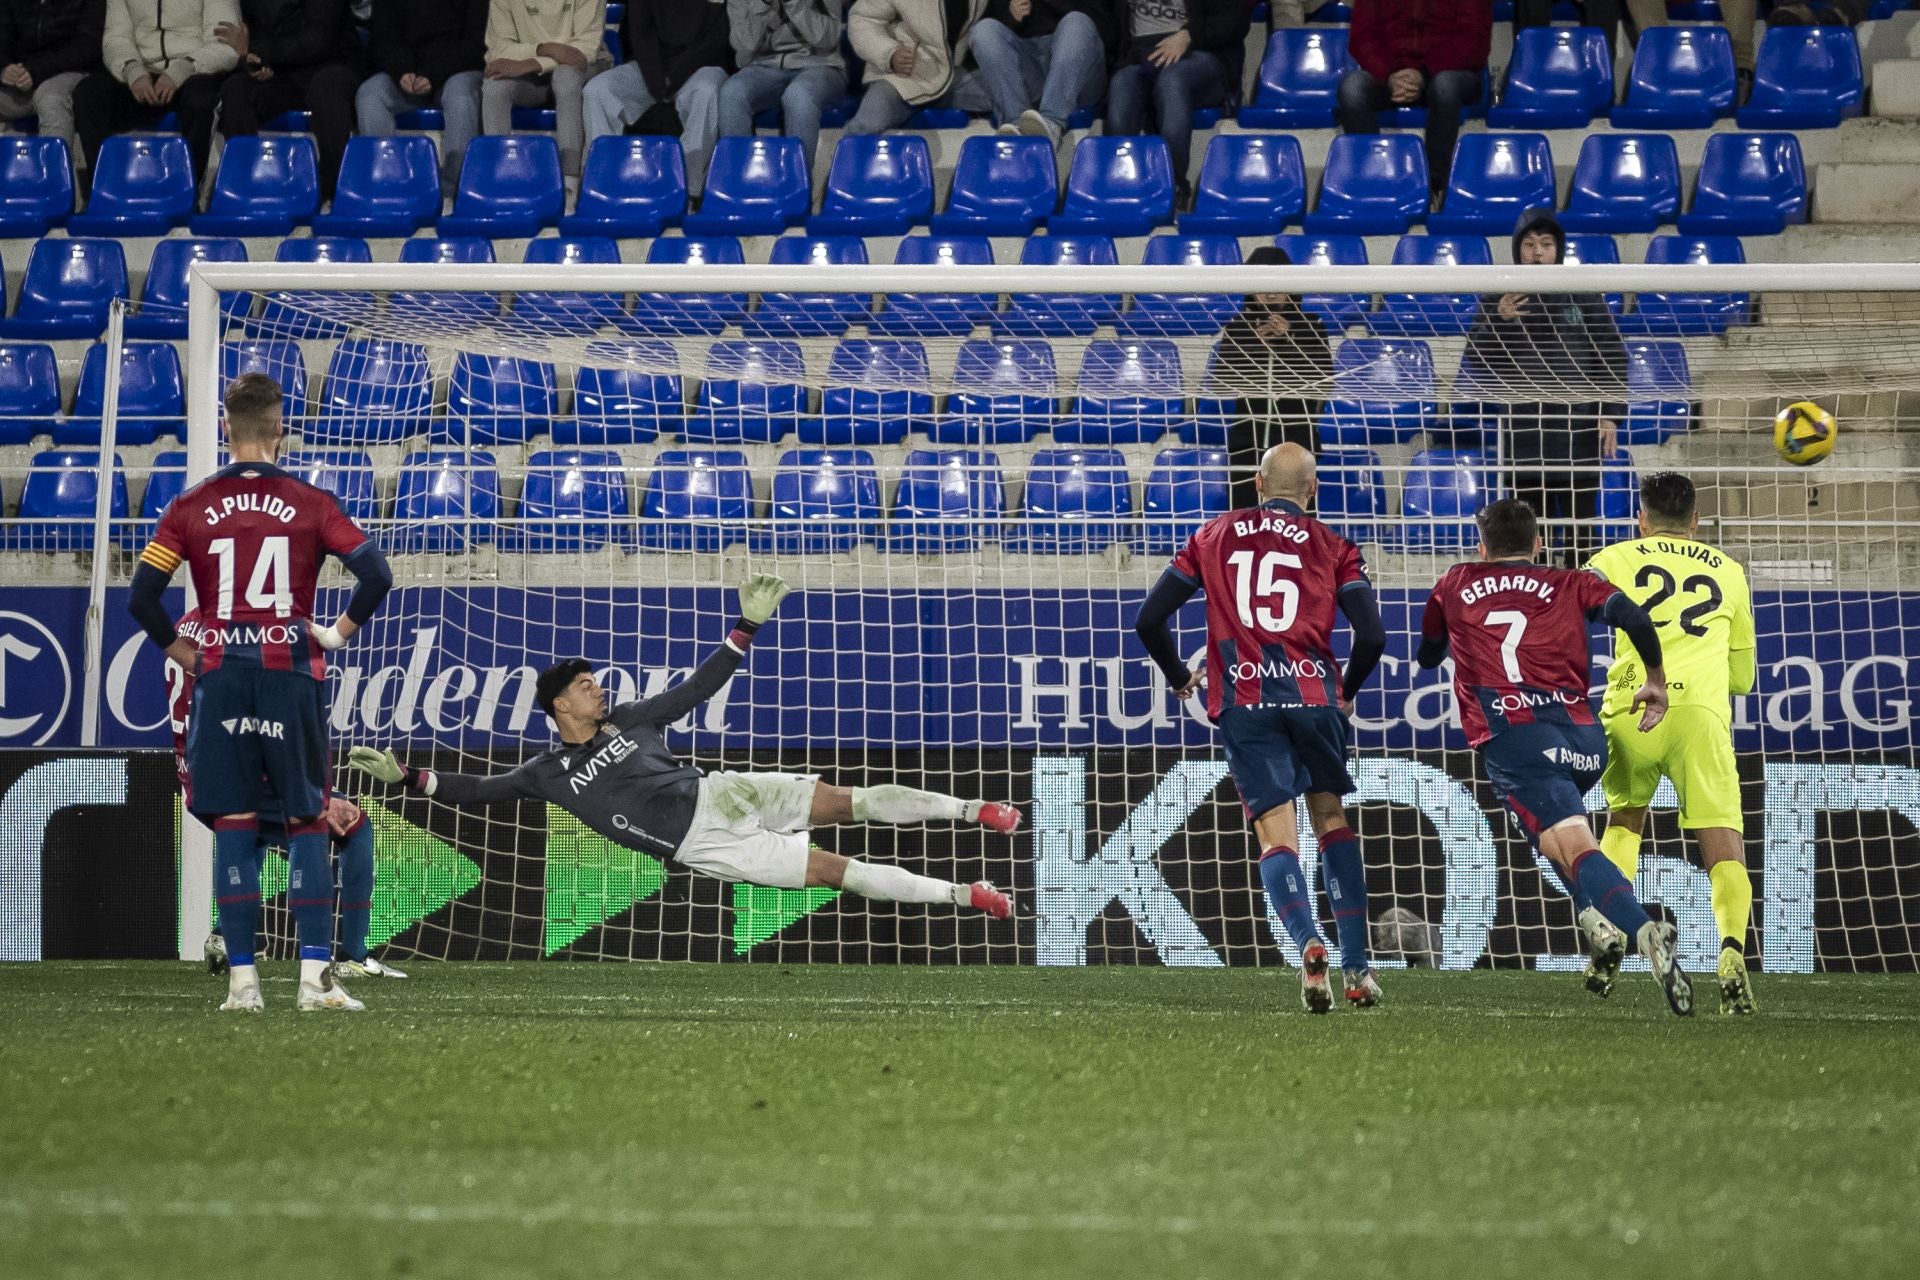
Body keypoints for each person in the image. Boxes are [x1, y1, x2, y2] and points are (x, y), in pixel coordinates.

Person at [346, 574, 1020, 926]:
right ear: (560, 706)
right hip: (708, 845)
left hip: (722, 790)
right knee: (840, 871)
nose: (598, 690)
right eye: (585, 687)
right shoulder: (546, 772)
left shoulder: (633, 719)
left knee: (855, 801)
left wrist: (746, 626)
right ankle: (969, 896)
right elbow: (478, 790)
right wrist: (407, 776)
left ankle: (973, 810)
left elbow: (697, 687)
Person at [128, 373, 394, 1013]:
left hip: (221, 677)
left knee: (235, 822)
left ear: (226, 428)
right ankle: (313, 983)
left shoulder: (189, 505)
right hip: (290, 670)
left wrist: (190, 655)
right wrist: (335, 633)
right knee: (306, 817)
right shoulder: (311, 501)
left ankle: (242, 985)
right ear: (281, 428)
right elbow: (376, 573)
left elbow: (141, 598)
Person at [1134, 444, 1389, 1012]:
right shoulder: (1335, 546)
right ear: (1313, 490)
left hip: (1245, 700)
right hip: (1313, 696)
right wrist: (1344, 691)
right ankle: (1356, 968)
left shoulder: (1213, 535)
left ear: (1257, 482)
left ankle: (1307, 944)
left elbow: (1148, 619)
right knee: (1330, 819)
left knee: (1277, 833)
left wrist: (1180, 675)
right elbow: (1372, 637)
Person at [1415, 498, 1694, 1017]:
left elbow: (1427, 653)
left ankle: (1642, 931)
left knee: (1570, 844)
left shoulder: (1455, 581)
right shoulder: (1571, 581)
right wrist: (1655, 680)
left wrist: (1453, 641)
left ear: (1481, 546)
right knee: (1549, 834)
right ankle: (1597, 924)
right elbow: (1633, 616)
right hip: (1585, 740)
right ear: (1539, 544)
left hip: (1515, 736)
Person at [1587, 473, 1758, 1014]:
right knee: (1722, 840)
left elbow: (1565, 617)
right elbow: (1744, 678)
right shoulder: (1729, 572)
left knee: (1624, 822)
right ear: (1696, 521)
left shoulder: (1613, 557)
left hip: (1631, 705)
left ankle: (1612, 934)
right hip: (1700, 716)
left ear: (1641, 518)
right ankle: (1731, 951)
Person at [168, 610, 405, 983]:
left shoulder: (188, 624)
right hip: (239, 771)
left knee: (252, 834)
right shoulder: (242, 634)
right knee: (352, 825)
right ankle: (351, 957)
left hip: (196, 773)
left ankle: (223, 935)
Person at [1463, 209, 1628, 569]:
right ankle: (1537, 605)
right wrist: (1499, 321)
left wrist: (1611, 414)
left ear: (1559, 249)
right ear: (1517, 249)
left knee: (1581, 533)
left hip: (1577, 437)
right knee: (1528, 536)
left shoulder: (1583, 294)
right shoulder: (1497, 297)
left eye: (1547, 244)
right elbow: (1476, 361)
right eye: (1529, 244)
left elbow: (1613, 356)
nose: (1537, 252)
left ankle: (1582, 611)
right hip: (1524, 439)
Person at [1337, 0, 1491, 206]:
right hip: (1391, 73)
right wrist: (1390, 73)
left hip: (1452, 70)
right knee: (1352, 88)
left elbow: (1474, 41)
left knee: (1445, 86)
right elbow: (1363, 36)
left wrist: (1424, 73)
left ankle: (1433, 188)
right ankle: (1371, 182)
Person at [1211, 245, 1331, 510]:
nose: (1270, 293)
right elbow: (1220, 380)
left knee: (1299, 525)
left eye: (1277, 284)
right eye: (1263, 285)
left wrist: (1290, 341)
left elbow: (1325, 382)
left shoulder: (1312, 325)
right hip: (1247, 443)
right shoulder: (1238, 327)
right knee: (1245, 520)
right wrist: (1254, 346)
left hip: (1298, 443)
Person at [72, 0, 237, 188]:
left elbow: (225, 45)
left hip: (194, 69)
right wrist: (131, 69)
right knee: (88, 93)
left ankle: (189, 192)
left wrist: (182, 69)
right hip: (142, 72)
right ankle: (105, 190)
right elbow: (116, 38)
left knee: (200, 101)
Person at [1105, 0, 1250, 208]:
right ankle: (1119, 187)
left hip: (1202, 53)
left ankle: (1173, 188)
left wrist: (1188, 35)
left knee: (1172, 79)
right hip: (1141, 56)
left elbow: (1235, 22)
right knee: (1121, 85)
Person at [213, 1, 363, 201]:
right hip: (281, 72)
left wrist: (259, 50)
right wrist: (254, 63)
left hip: (332, 64)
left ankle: (336, 191)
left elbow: (317, 39)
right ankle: (246, 186)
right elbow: (245, 33)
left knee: (327, 90)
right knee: (236, 89)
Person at [581, 0, 732, 195]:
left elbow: (717, 40)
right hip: (653, 69)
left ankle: (689, 189)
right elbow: (640, 33)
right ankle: (602, 184)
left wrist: (674, 76)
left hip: (702, 65)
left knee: (706, 91)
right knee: (597, 91)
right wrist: (657, 80)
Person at [357, 0, 488, 194]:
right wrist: (402, 71)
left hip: (456, 70)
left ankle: (454, 191)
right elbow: (383, 38)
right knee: (370, 95)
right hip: (408, 75)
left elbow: (476, 43)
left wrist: (432, 74)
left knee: (461, 96)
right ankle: (385, 186)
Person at [481, 0, 610, 179]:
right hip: (529, 75)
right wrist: (544, 49)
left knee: (565, 77)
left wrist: (533, 63)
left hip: (583, 68)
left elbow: (583, 51)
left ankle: (569, 179)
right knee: (494, 87)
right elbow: (498, 48)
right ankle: (499, 176)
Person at [715, 0, 846, 173]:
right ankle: (738, 183)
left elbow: (829, 39)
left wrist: (795, 5)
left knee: (799, 95)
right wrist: (761, 6)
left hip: (821, 66)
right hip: (764, 66)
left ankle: (797, 186)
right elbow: (743, 45)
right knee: (732, 93)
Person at [969, 0, 1115, 146]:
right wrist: (1011, 17)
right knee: (984, 29)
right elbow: (986, 49)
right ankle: (1017, 125)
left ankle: (1051, 124)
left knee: (1076, 22)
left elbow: (1110, 31)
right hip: (1030, 64)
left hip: (1080, 68)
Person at [843, 0, 989, 137]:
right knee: (865, 127)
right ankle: (846, 160)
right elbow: (862, 19)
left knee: (1006, 95)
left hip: (950, 77)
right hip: (899, 78)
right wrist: (890, 53)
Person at [0, 0, 105, 155]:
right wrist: (4, 68)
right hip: (20, 80)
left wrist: (35, 71)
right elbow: (3, 34)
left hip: (69, 71)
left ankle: (54, 176)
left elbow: (87, 47)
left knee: (50, 98)